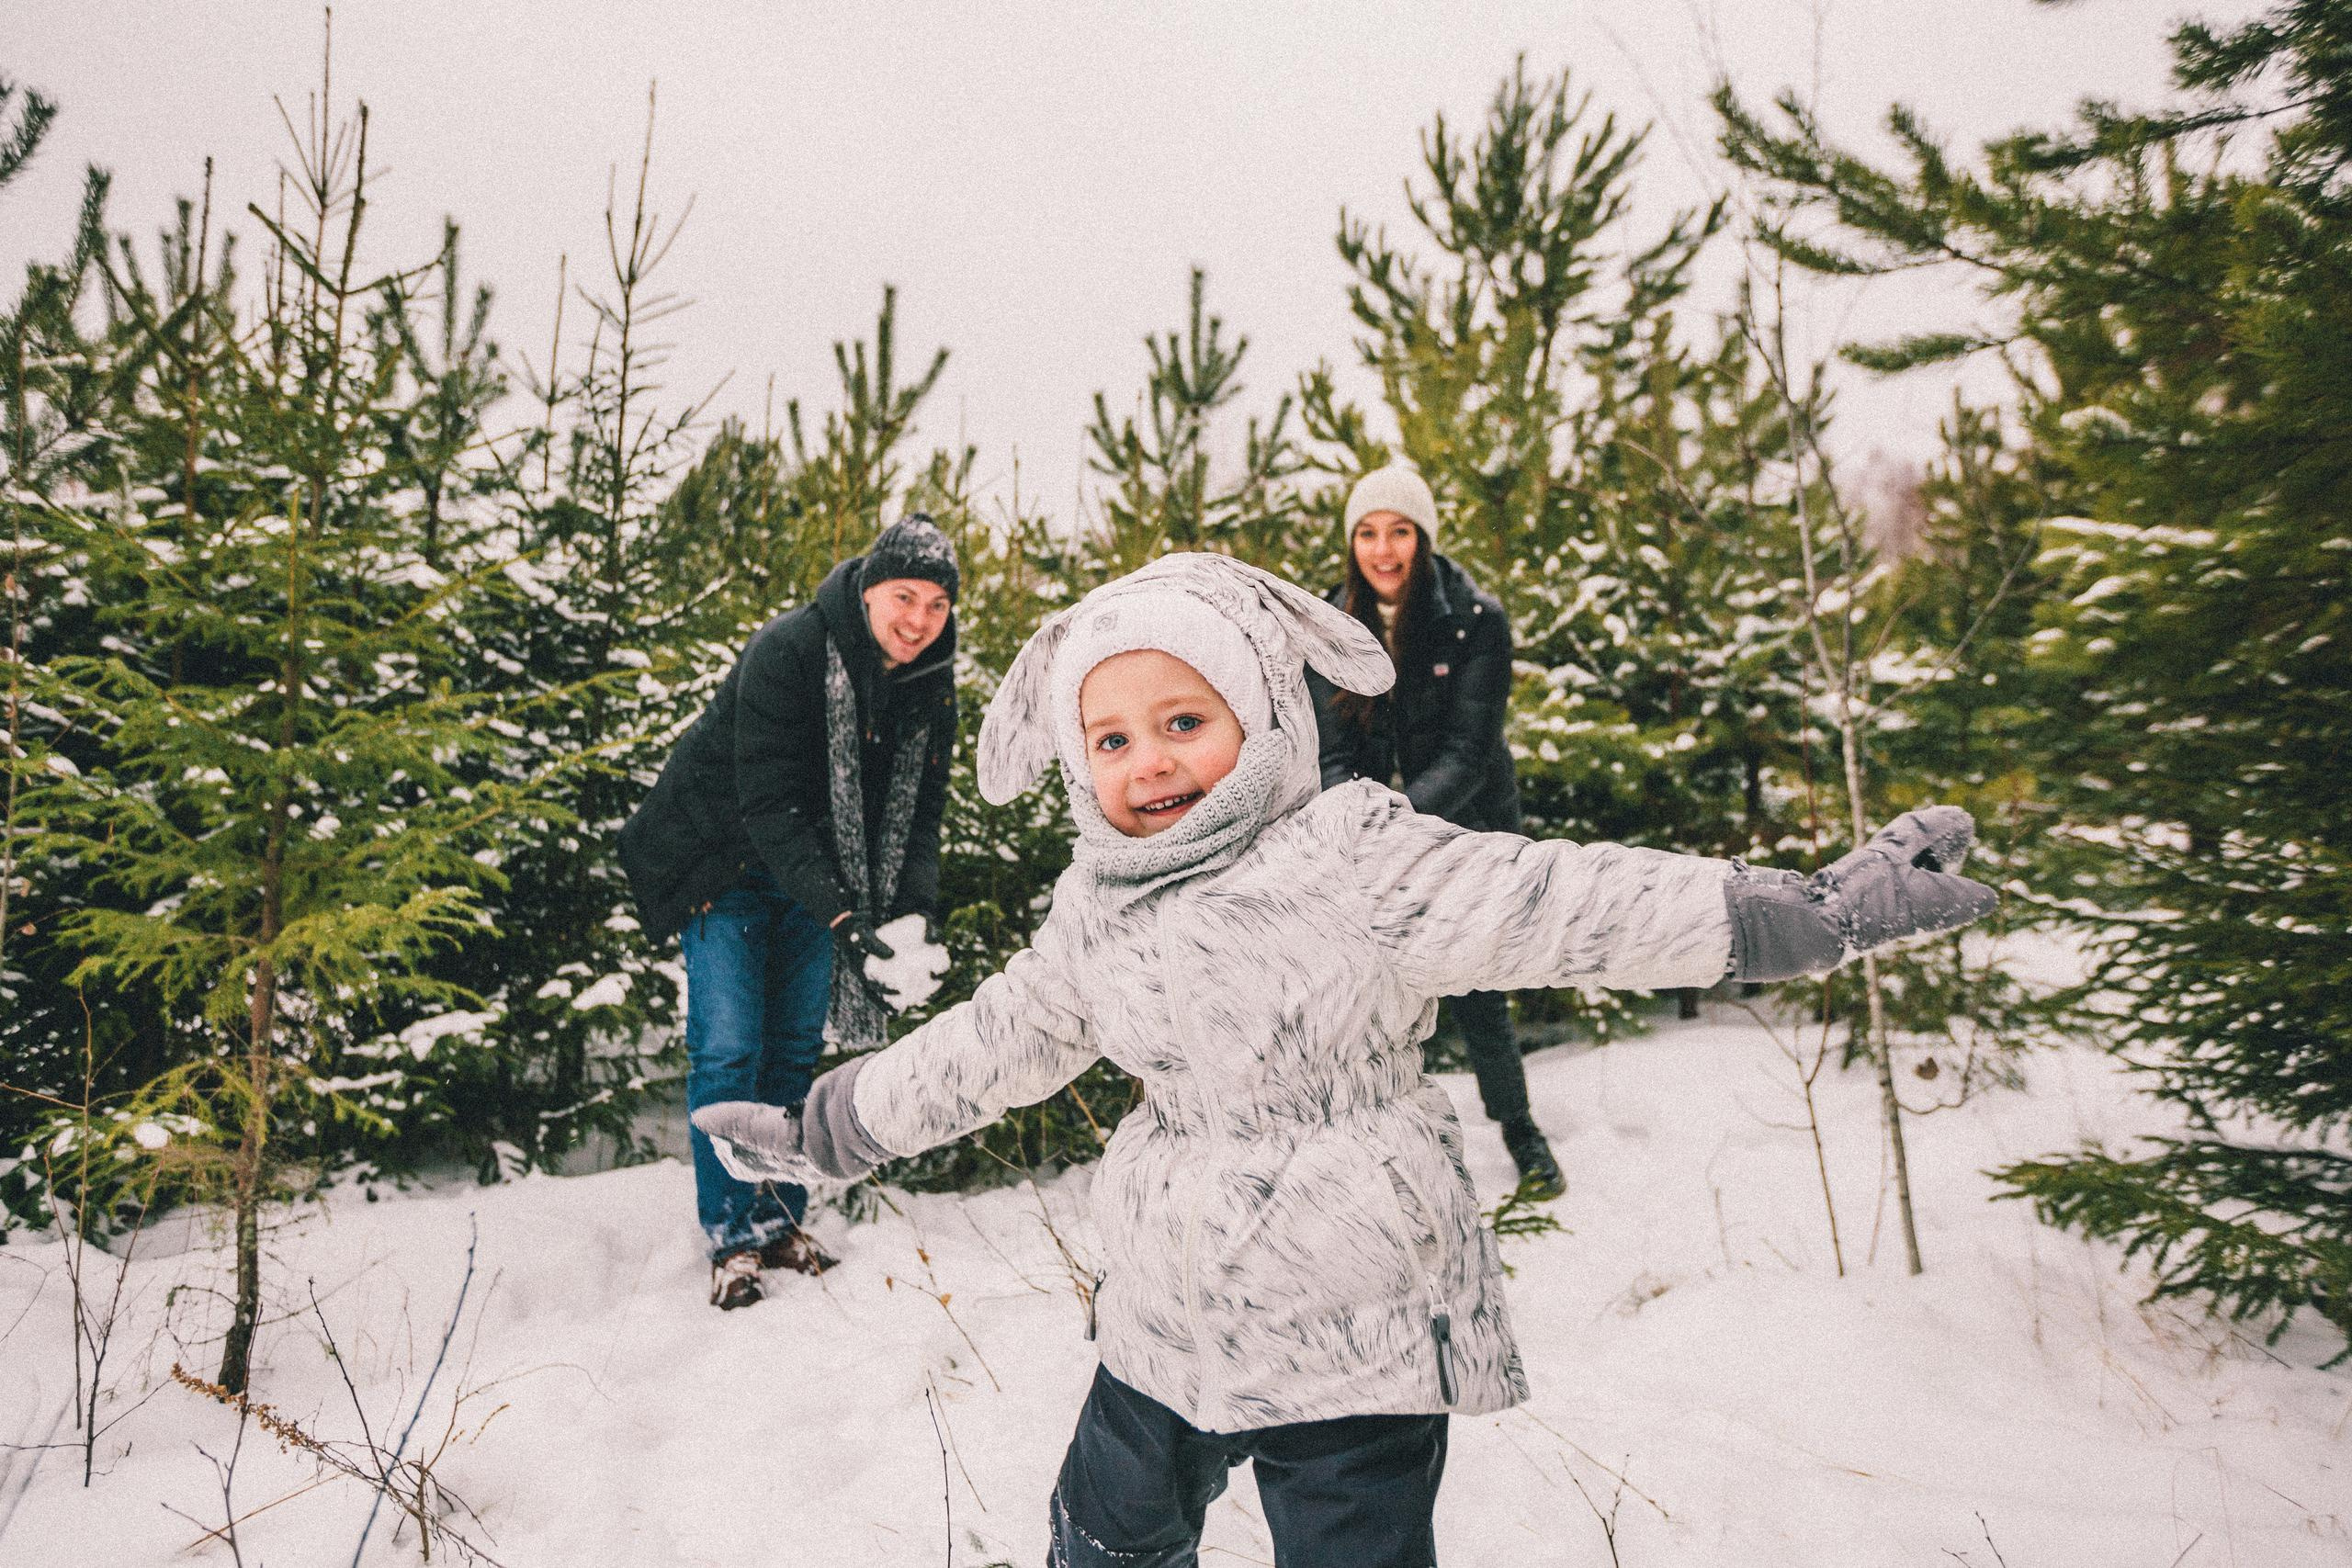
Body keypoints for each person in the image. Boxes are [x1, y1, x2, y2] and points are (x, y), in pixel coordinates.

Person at [690, 551, 1996, 1565]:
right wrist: (832, 1124)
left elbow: (1560, 899)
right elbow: (992, 1045)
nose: (1151, 761)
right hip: (1168, 1310)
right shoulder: (1096, 908)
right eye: (1113, 738)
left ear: (1261, 712)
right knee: (1103, 1526)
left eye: (1184, 719)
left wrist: (1801, 914)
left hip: (1351, 1314)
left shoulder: (1351, 854)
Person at [618, 513, 960, 1311]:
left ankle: (777, 1219)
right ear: (870, 588)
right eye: (903, 596)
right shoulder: (791, 650)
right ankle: (730, 1240)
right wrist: (845, 921)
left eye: (936, 605)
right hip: (723, 863)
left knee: (795, 1049)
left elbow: (920, 818)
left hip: (816, 873)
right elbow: (766, 801)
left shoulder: (928, 685)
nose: (917, 619)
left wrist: (911, 919)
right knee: (731, 1048)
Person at [1307, 462, 1564, 1198]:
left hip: (1465, 822)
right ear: (1351, 541)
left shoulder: (1475, 622)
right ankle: (1374, 1154)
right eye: (1367, 532)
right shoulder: (1329, 623)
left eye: (1399, 532)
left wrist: (1400, 821)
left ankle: (1522, 1131)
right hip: (1369, 835)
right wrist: (1355, 820)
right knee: (1365, 994)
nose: (1383, 549)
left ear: (1423, 539)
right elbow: (1333, 750)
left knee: (1478, 984)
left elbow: (1471, 749)